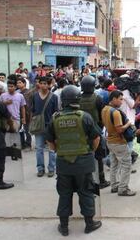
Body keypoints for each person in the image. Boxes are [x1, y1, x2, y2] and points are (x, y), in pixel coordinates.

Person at [45, 85, 102, 236]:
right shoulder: (85, 116)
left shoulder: (55, 118)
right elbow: (96, 138)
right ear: (78, 99)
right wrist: (90, 151)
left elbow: (50, 142)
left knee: (64, 193)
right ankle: (89, 224)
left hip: (63, 163)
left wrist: (59, 151)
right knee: (86, 192)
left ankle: (64, 227)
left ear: (62, 100)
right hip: (83, 163)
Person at [101, 90, 135, 196]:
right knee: (126, 164)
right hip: (119, 142)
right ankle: (123, 188)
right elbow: (120, 129)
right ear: (114, 99)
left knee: (114, 165)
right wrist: (128, 123)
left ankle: (114, 186)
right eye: (120, 99)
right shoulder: (115, 113)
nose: (121, 102)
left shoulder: (104, 110)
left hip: (110, 141)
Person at [80, 75, 110, 189]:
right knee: (99, 156)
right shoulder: (97, 98)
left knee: (83, 155)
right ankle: (101, 180)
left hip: (81, 131)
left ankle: (84, 180)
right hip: (96, 131)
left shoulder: (77, 98)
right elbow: (102, 115)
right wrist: (100, 127)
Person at [31, 76, 59, 177]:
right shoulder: (35, 96)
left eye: (45, 83)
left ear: (49, 85)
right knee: (39, 149)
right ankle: (40, 168)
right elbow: (33, 111)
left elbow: (56, 112)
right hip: (38, 127)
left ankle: (51, 168)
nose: (43, 85)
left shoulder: (54, 97)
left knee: (51, 149)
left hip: (50, 126)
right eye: (41, 83)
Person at [0, 80, 26, 152]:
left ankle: (14, 151)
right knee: (7, 135)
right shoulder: (3, 96)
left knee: (15, 135)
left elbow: (22, 107)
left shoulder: (20, 96)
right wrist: (5, 103)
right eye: (8, 86)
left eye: (12, 86)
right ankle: (7, 151)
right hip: (5, 119)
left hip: (16, 119)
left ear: (15, 87)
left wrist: (23, 118)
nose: (10, 88)